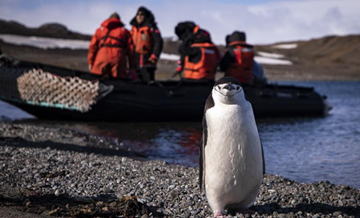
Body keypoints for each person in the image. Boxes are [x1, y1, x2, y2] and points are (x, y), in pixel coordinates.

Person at [88, 12, 135, 79]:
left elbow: (93, 47)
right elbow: (131, 50)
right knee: (119, 82)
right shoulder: (124, 31)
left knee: (97, 80)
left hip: (102, 56)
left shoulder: (100, 30)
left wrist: (90, 62)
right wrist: (131, 67)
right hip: (118, 57)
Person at [130, 6, 163, 82]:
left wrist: (155, 55)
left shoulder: (151, 27)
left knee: (148, 81)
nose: (139, 16)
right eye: (138, 14)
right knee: (136, 80)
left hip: (147, 58)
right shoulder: (133, 28)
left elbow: (158, 41)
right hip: (135, 58)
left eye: (142, 14)